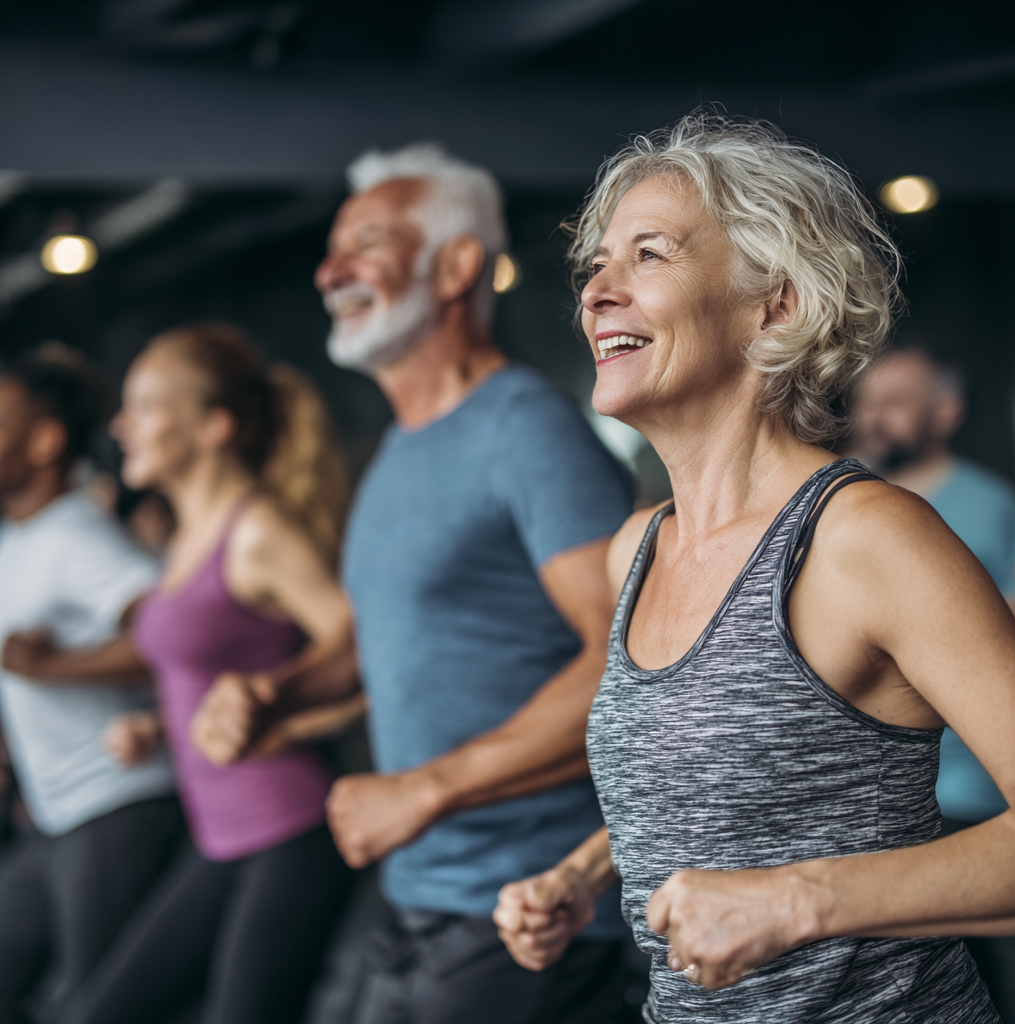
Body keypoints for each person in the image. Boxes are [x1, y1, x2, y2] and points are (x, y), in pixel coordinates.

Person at [492, 112, 1015, 1023]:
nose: (595, 293)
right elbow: (720, 796)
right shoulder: (637, 548)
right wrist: (583, 872)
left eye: (648, 255)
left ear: (774, 301)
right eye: (596, 266)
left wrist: (796, 901)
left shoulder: (864, 539)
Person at [192, 145, 637, 1023]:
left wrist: (429, 789)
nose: (330, 269)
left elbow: (629, 663)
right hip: (414, 896)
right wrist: (275, 692)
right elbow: (383, 632)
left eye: (368, 241)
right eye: (332, 248)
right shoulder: (402, 443)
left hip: (528, 911)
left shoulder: (528, 431)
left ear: (457, 264)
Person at [27, 325, 358, 1024]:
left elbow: (363, 650)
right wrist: (160, 727)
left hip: (289, 828)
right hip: (220, 837)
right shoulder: (182, 538)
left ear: (214, 426)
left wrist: (287, 717)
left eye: (145, 406)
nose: (121, 425)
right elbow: (217, 667)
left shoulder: (258, 531)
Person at [0, 346, 180, 1024]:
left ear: (45, 442)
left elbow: (169, 635)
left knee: (101, 1008)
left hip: (118, 803)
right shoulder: (17, 539)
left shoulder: (76, 534)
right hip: (54, 816)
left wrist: (50, 669)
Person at [853, 346, 1015, 1019]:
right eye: (867, 401)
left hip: (971, 796)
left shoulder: (994, 504)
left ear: (945, 412)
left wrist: (923, 615)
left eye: (894, 401)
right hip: (871, 805)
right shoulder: (846, 503)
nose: (873, 417)